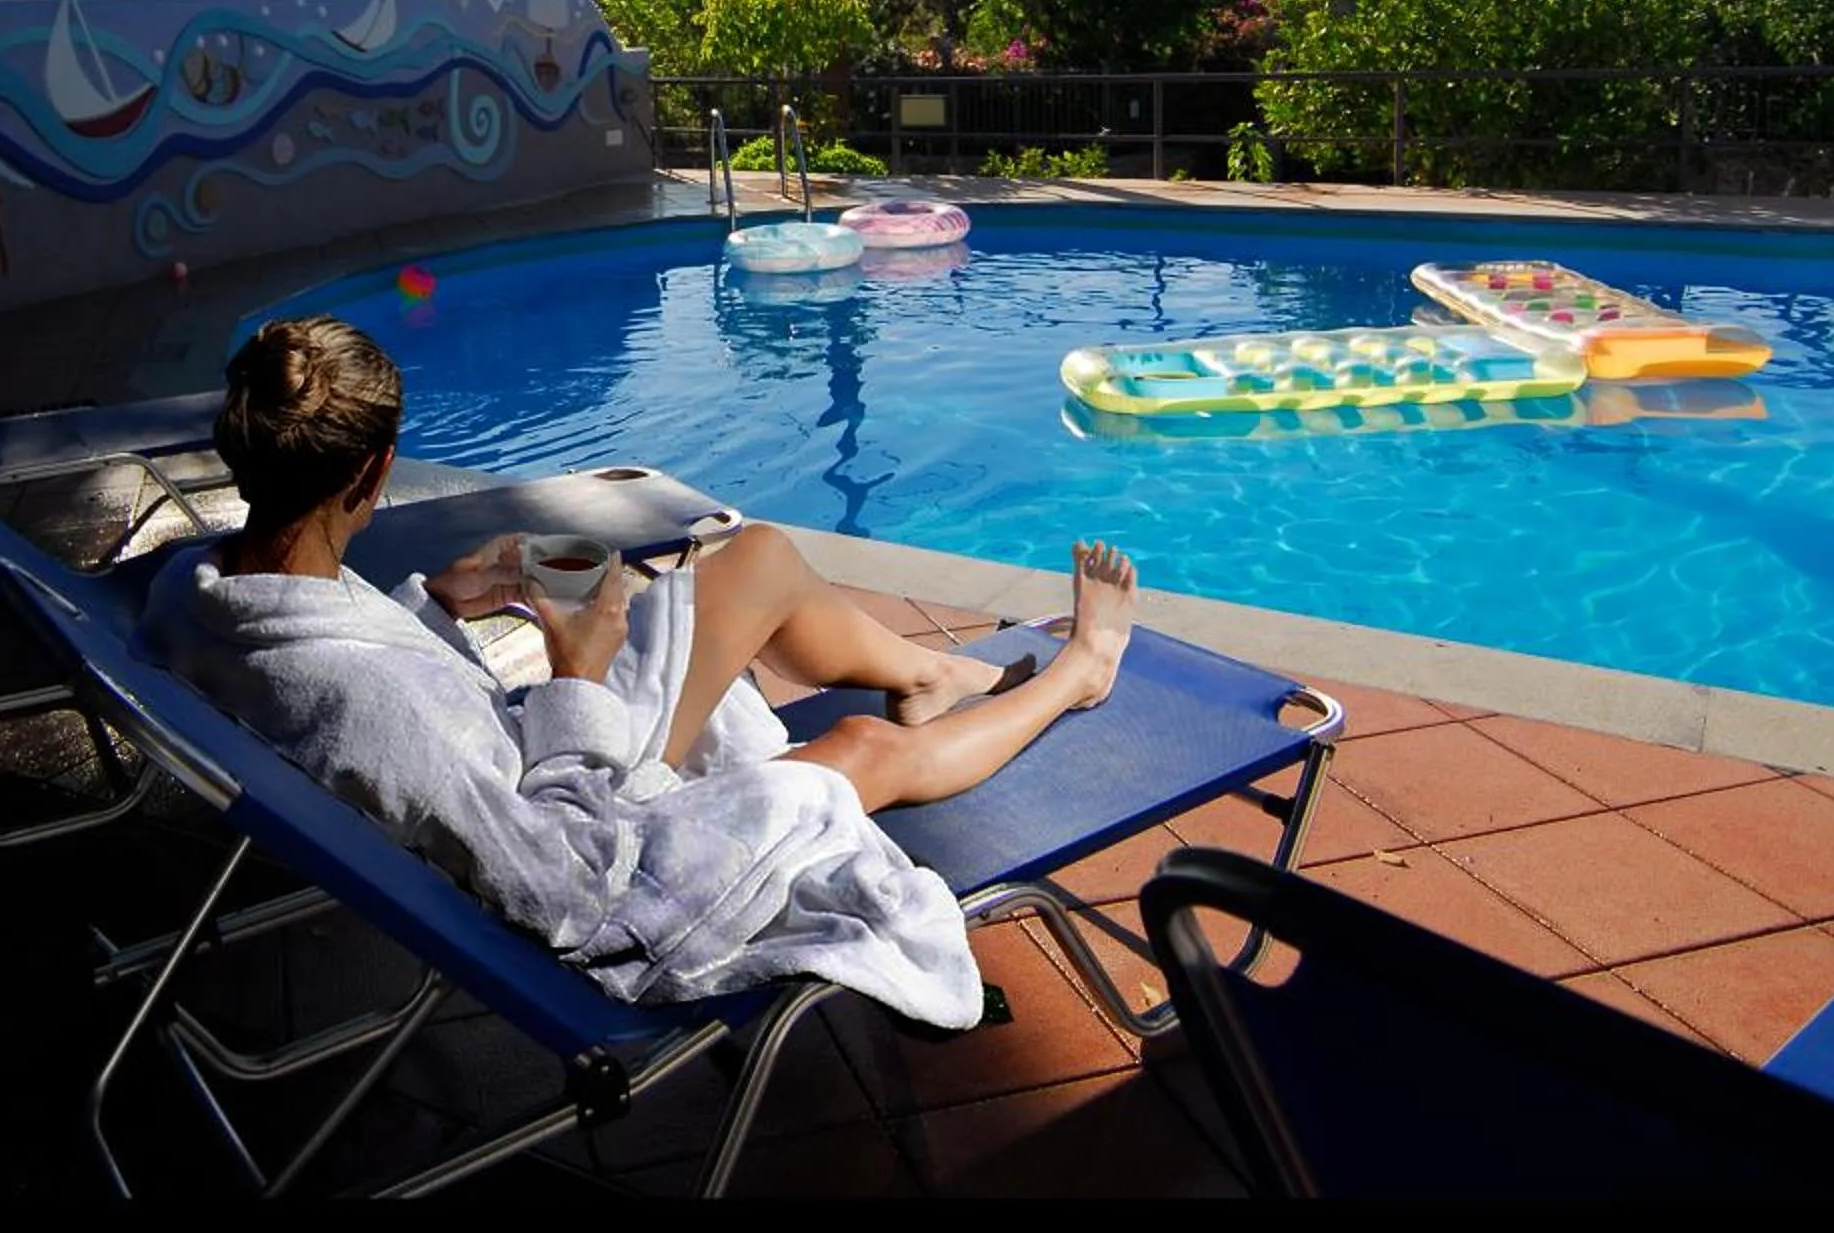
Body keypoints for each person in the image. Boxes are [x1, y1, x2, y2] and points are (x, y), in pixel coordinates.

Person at [146, 313, 1140, 1031]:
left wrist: (438, 602)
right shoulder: (369, 700)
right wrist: (578, 678)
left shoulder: (198, 593)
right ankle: (1078, 673)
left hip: (538, 764)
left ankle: (927, 674)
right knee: (858, 749)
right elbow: (564, 891)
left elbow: (385, 711)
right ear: (374, 472)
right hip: (608, 849)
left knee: (756, 559)